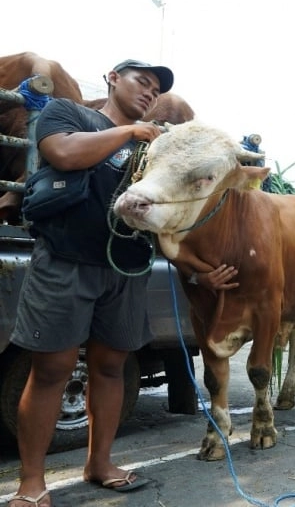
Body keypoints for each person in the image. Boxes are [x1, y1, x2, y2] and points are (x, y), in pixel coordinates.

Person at [7, 60, 175, 507]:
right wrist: (130, 133)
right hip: (65, 259)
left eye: (156, 91)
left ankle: (99, 463)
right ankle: (31, 483)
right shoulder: (70, 113)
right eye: (143, 82)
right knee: (52, 371)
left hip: (124, 268)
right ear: (113, 79)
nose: (149, 94)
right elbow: (63, 153)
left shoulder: (155, 147)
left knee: (110, 367)